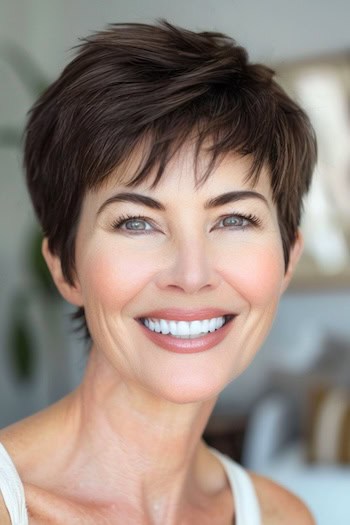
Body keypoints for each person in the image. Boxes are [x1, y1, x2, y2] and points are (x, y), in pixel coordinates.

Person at [0, 20, 317, 524]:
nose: (191, 275)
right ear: (65, 268)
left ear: (288, 259)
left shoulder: (283, 516)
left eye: (234, 219)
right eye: (136, 222)